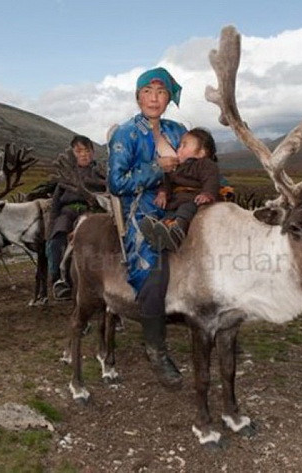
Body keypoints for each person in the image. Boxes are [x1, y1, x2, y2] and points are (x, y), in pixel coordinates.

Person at [108, 67, 187, 389]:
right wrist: (157, 169)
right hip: (142, 211)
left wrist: (216, 185)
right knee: (152, 270)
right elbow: (116, 182)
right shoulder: (126, 134)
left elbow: (198, 162)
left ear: (169, 98)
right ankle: (155, 349)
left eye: (161, 92)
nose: (154, 98)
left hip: (181, 205)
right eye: (147, 92)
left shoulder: (178, 130)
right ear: (138, 96)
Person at [140, 127, 220, 252]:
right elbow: (167, 181)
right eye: (179, 146)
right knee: (169, 213)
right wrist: (162, 193)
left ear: (201, 153)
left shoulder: (205, 165)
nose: (179, 149)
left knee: (185, 210)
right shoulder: (176, 167)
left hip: (194, 199)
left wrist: (207, 194)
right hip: (176, 201)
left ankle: (178, 232)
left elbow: (211, 180)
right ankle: (158, 234)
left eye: (184, 146)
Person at [48, 135, 106, 299]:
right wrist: (51, 228)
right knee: (57, 239)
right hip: (68, 212)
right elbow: (55, 204)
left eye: (87, 150)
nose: (83, 154)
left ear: (92, 152)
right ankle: (59, 279)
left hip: (92, 212)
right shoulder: (66, 175)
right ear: (73, 153)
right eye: (79, 151)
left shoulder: (101, 173)